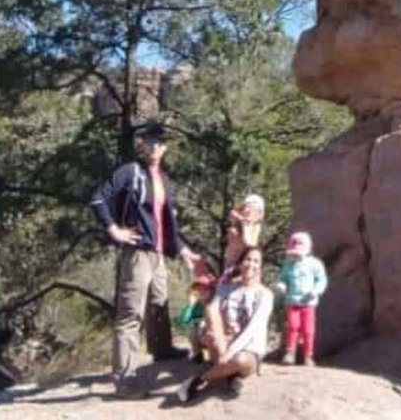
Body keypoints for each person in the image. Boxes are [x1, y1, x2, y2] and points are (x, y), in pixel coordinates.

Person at [90, 122, 201, 398]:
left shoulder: (163, 179)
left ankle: (161, 349)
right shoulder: (130, 172)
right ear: (141, 144)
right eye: (150, 142)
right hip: (138, 253)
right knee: (130, 314)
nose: (155, 147)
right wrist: (114, 229)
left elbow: (167, 222)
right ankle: (125, 379)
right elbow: (98, 199)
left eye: (160, 143)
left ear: (165, 147)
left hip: (158, 254)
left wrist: (183, 249)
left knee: (159, 303)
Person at [180, 246, 274, 403]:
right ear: (239, 263)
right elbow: (212, 311)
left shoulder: (265, 295)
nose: (251, 264)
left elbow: (253, 329)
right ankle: (229, 375)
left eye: (256, 261)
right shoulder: (225, 289)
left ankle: (199, 380)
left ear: (261, 267)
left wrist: (230, 352)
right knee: (210, 333)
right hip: (225, 342)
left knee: (240, 360)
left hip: (249, 348)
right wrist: (221, 344)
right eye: (248, 259)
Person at [276, 231, 328, 365]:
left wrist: (316, 291)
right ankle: (290, 352)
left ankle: (308, 355)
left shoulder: (315, 264)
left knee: (308, 330)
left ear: (308, 249)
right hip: (292, 301)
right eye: (294, 252)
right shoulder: (288, 264)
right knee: (293, 326)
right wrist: (281, 285)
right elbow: (283, 278)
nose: (296, 255)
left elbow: (321, 280)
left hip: (308, 303)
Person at [221, 193, 265, 278]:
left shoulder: (255, 227)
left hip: (245, 271)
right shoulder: (235, 228)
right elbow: (232, 214)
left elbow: (249, 243)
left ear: (259, 213)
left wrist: (245, 224)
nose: (248, 211)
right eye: (247, 207)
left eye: (253, 208)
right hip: (231, 269)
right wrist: (241, 220)